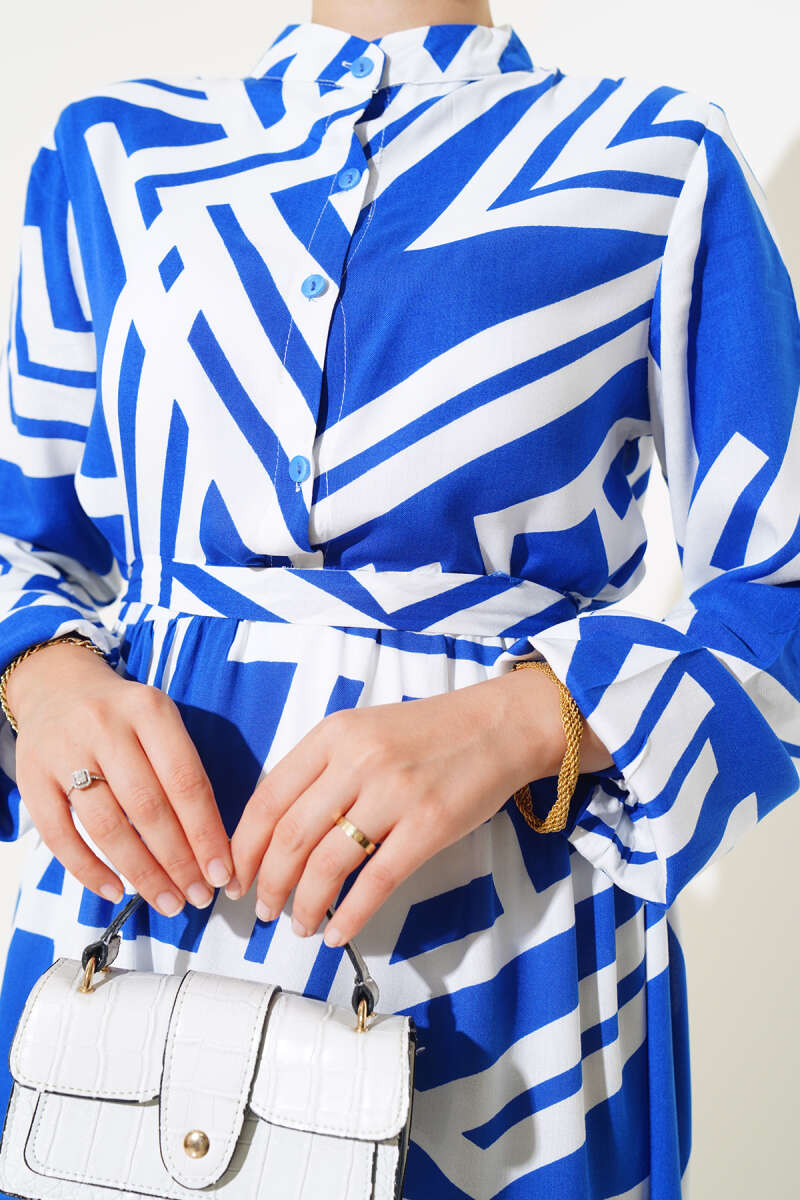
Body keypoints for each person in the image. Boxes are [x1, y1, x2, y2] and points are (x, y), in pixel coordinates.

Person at [0, 0, 798, 1194]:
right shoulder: (110, 157)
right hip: (137, 927)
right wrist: (45, 679)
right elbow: (25, 541)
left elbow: (780, 589)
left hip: (507, 978)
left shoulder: (655, 156)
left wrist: (523, 719)